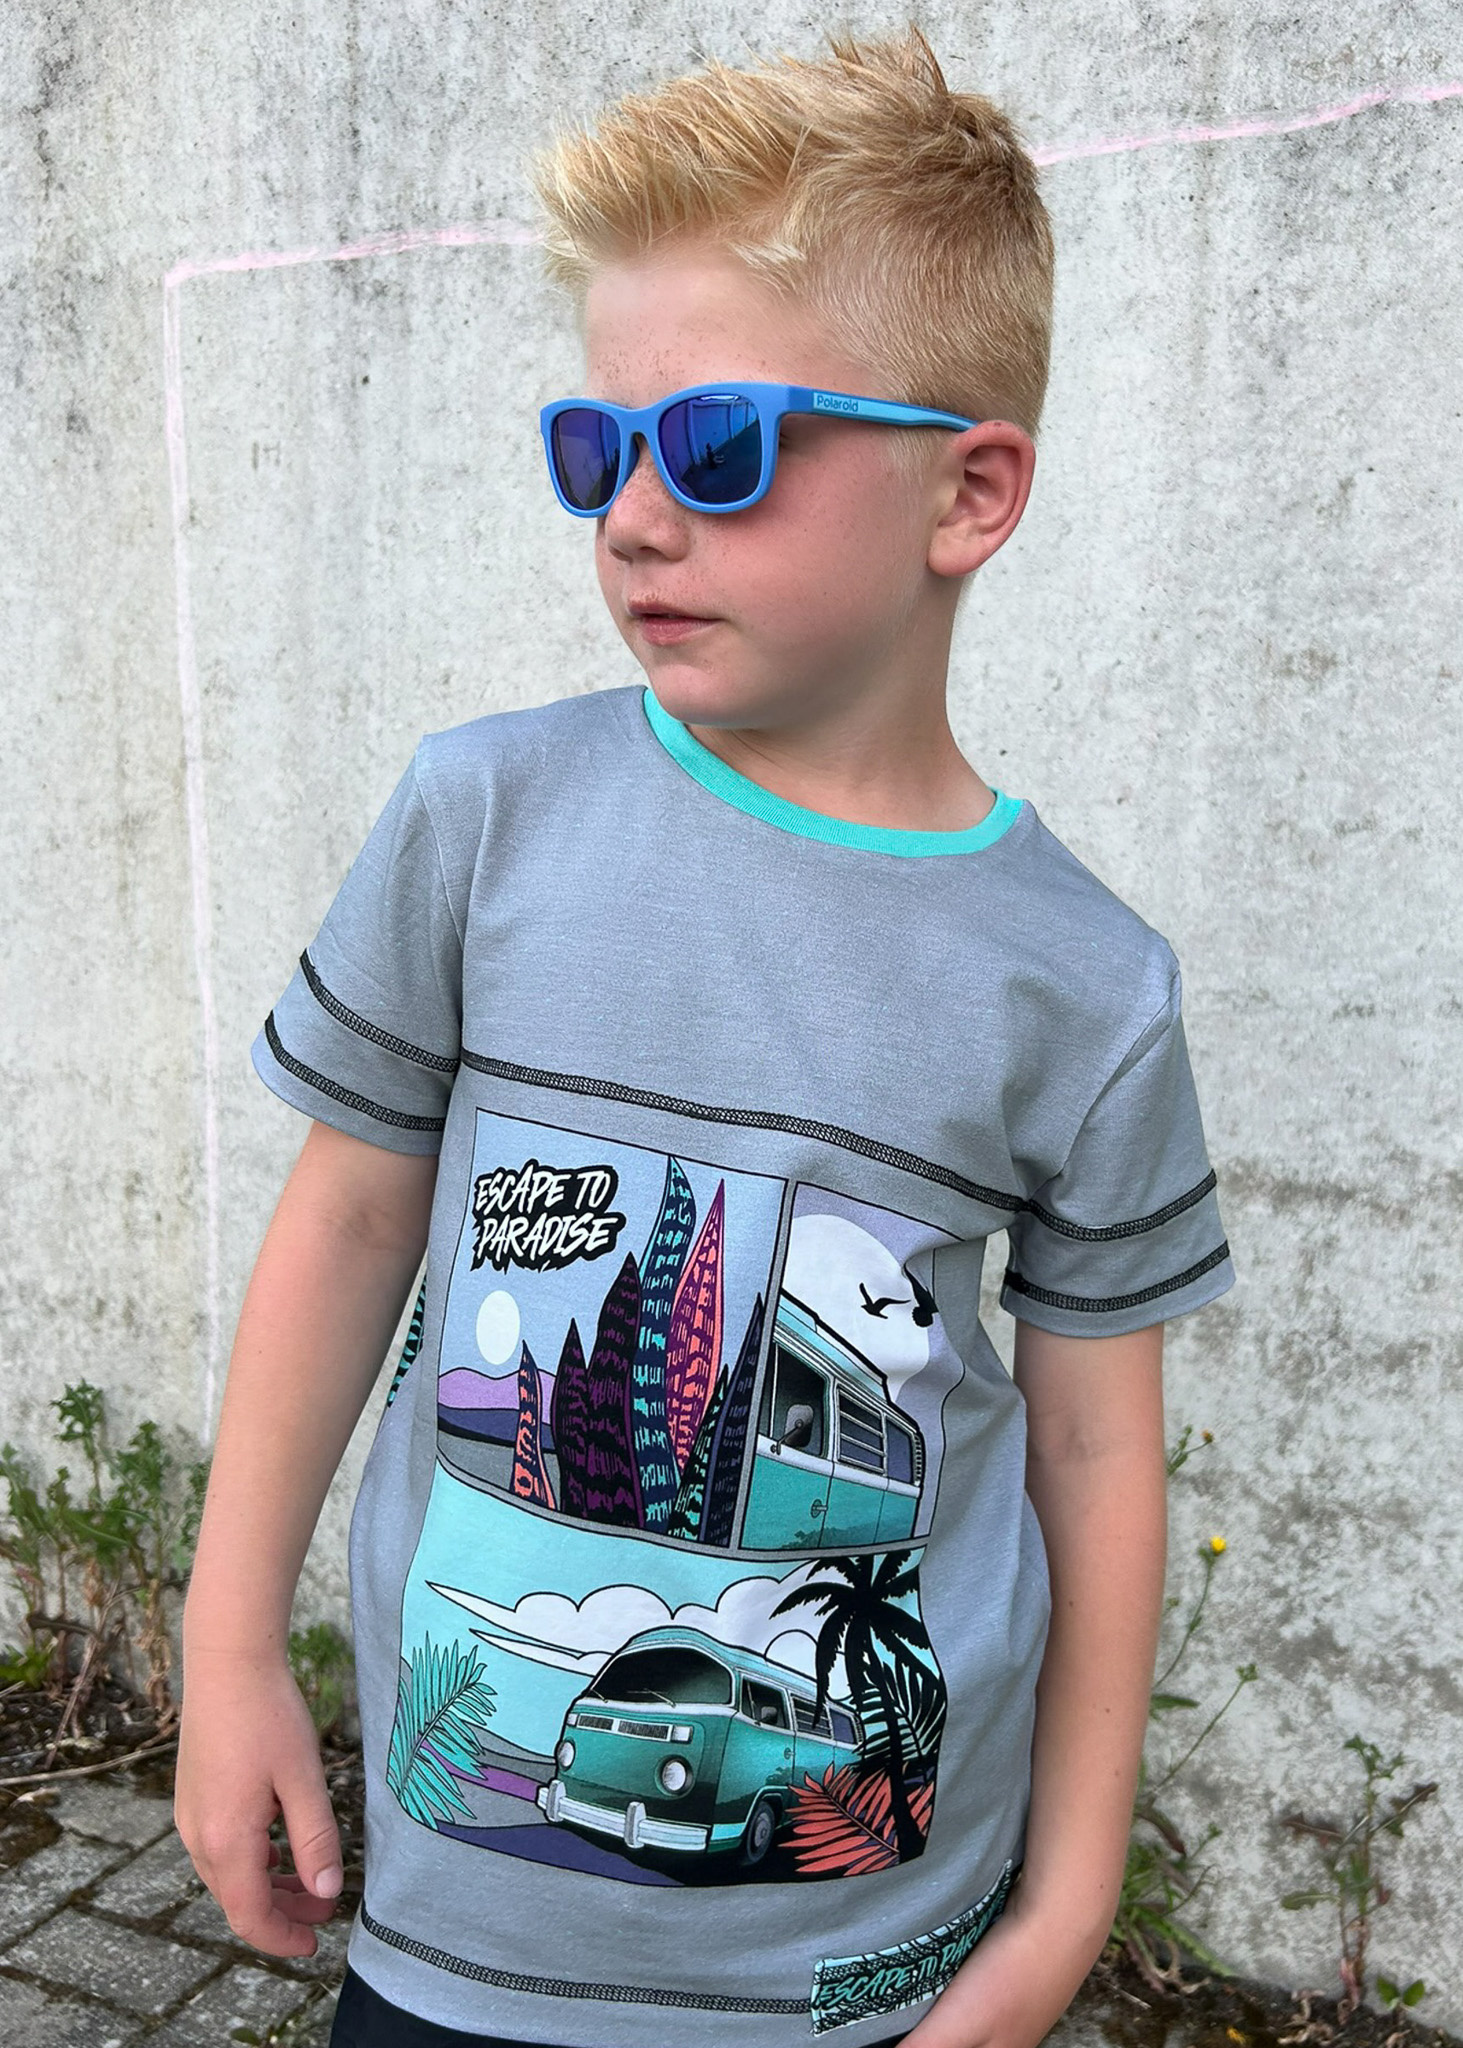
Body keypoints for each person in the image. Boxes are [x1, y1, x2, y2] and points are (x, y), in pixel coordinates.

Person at [176, 27, 1235, 2048]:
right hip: (457, 1948)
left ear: (970, 490)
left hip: (873, 1973)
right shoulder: (484, 820)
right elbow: (350, 1224)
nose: (637, 520)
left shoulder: (1085, 983)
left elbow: (1096, 1446)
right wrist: (228, 1643)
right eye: (600, 450)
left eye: (725, 446)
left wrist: (1067, 1901)